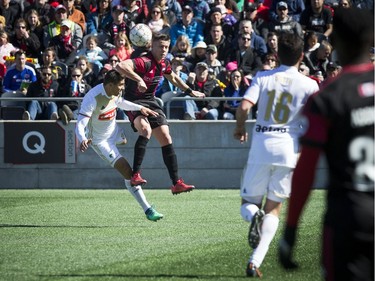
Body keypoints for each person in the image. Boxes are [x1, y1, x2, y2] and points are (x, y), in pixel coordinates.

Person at [278, 8, 374, 281]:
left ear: (335, 43)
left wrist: (291, 230)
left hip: (349, 216)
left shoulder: (327, 97)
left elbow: (305, 169)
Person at [233, 32, 319, 278]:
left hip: (262, 145)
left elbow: (244, 107)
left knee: (248, 205)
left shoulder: (263, 76)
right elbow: (316, 120)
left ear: (276, 54)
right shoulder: (310, 84)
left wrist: (239, 128)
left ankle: (253, 216)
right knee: (274, 209)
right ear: (302, 56)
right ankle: (254, 261)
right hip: (289, 150)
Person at [114, 32, 205, 194]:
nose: (163, 50)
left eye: (166, 47)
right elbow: (120, 66)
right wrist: (139, 79)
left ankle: (176, 183)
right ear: (152, 46)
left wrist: (191, 91)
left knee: (166, 136)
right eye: (160, 46)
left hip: (150, 100)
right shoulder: (144, 61)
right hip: (133, 101)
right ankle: (135, 175)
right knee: (145, 129)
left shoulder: (164, 63)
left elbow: (174, 78)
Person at [75, 69, 164, 222]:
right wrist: (82, 138)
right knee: (128, 173)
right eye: (121, 85)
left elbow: (121, 103)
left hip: (114, 131)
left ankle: (119, 138)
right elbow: (79, 124)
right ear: (109, 85)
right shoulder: (92, 98)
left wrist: (139, 108)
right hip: (100, 141)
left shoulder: (115, 92)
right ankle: (148, 209)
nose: (122, 88)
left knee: (123, 140)